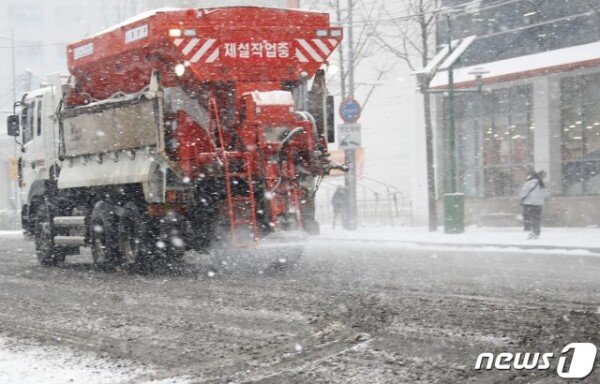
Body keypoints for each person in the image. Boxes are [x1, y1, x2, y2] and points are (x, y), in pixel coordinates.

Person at [519, 171, 548, 239]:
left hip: (530, 203)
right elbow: (545, 194)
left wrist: (522, 198)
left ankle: (533, 232)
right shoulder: (542, 183)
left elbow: (523, 192)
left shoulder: (529, 183)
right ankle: (536, 232)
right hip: (539, 204)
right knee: (537, 219)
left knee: (530, 218)